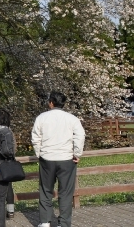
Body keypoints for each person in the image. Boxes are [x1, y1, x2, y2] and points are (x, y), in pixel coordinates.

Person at [31, 91, 85, 227]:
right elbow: (80, 136)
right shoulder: (72, 119)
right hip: (66, 158)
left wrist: (39, 153)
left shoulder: (41, 118)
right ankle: (64, 223)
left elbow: (35, 138)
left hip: (47, 158)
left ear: (51, 102)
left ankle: (45, 221)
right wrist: (77, 154)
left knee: (45, 190)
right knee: (66, 192)